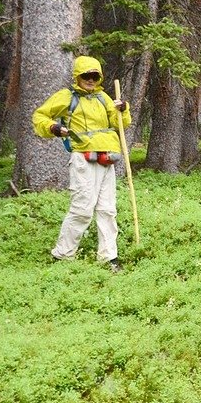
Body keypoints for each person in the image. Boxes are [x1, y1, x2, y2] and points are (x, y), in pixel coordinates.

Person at [33, 55, 131, 273]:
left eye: (94, 76)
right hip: (83, 157)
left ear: (99, 77)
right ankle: (62, 255)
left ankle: (109, 257)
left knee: (107, 208)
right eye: (86, 75)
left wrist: (123, 109)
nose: (90, 79)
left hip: (107, 157)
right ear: (78, 76)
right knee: (83, 208)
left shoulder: (104, 98)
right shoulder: (67, 97)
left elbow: (120, 124)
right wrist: (54, 128)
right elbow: (40, 116)